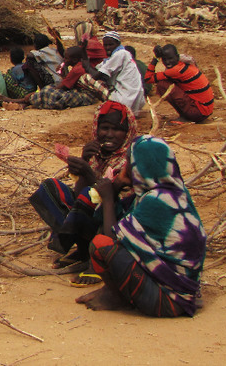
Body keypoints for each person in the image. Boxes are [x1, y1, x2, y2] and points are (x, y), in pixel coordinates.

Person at [76, 135, 206, 317]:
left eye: (130, 162)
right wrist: (117, 185)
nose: (126, 167)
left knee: (100, 244)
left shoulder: (157, 201)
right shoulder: (174, 193)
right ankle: (116, 293)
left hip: (170, 300)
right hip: (179, 291)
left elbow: (113, 240)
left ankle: (116, 296)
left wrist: (107, 199)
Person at [29, 101, 138, 286]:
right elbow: (78, 195)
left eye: (117, 129)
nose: (109, 134)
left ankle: (99, 260)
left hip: (119, 223)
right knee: (51, 187)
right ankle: (84, 248)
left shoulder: (131, 159)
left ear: (128, 132)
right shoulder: (98, 154)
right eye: (104, 128)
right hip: (95, 215)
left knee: (90, 195)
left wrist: (89, 174)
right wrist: (85, 162)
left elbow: (111, 199)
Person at [2, 47, 98, 110]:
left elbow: (62, 87)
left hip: (87, 96)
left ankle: (21, 101)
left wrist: (42, 91)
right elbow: (67, 84)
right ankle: (26, 102)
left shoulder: (77, 69)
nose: (65, 60)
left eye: (67, 58)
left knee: (50, 93)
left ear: (75, 60)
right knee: (49, 89)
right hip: (81, 92)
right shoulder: (79, 66)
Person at [144, 44, 214, 123]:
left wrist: (155, 59)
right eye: (164, 59)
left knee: (162, 85)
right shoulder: (183, 64)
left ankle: (186, 117)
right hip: (204, 110)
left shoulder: (176, 70)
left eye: (170, 58)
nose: (167, 62)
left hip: (199, 113)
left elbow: (148, 78)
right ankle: (186, 115)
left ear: (177, 57)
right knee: (168, 83)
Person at [82, 31, 145, 114]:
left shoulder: (120, 54)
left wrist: (87, 65)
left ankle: (111, 106)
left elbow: (96, 75)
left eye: (111, 45)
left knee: (85, 78)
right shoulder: (120, 55)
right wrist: (84, 51)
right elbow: (98, 69)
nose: (108, 48)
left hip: (125, 99)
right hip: (135, 99)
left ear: (118, 44)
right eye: (105, 45)